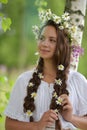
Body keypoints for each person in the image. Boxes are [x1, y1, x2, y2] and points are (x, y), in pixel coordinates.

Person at [4, 9, 87, 130]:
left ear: (62, 45)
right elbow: (9, 126)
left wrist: (71, 118)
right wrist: (37, 126)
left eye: (52, 40)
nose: (44, 43)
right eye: (42, 38)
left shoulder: (77, 80)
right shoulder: (24, 80)